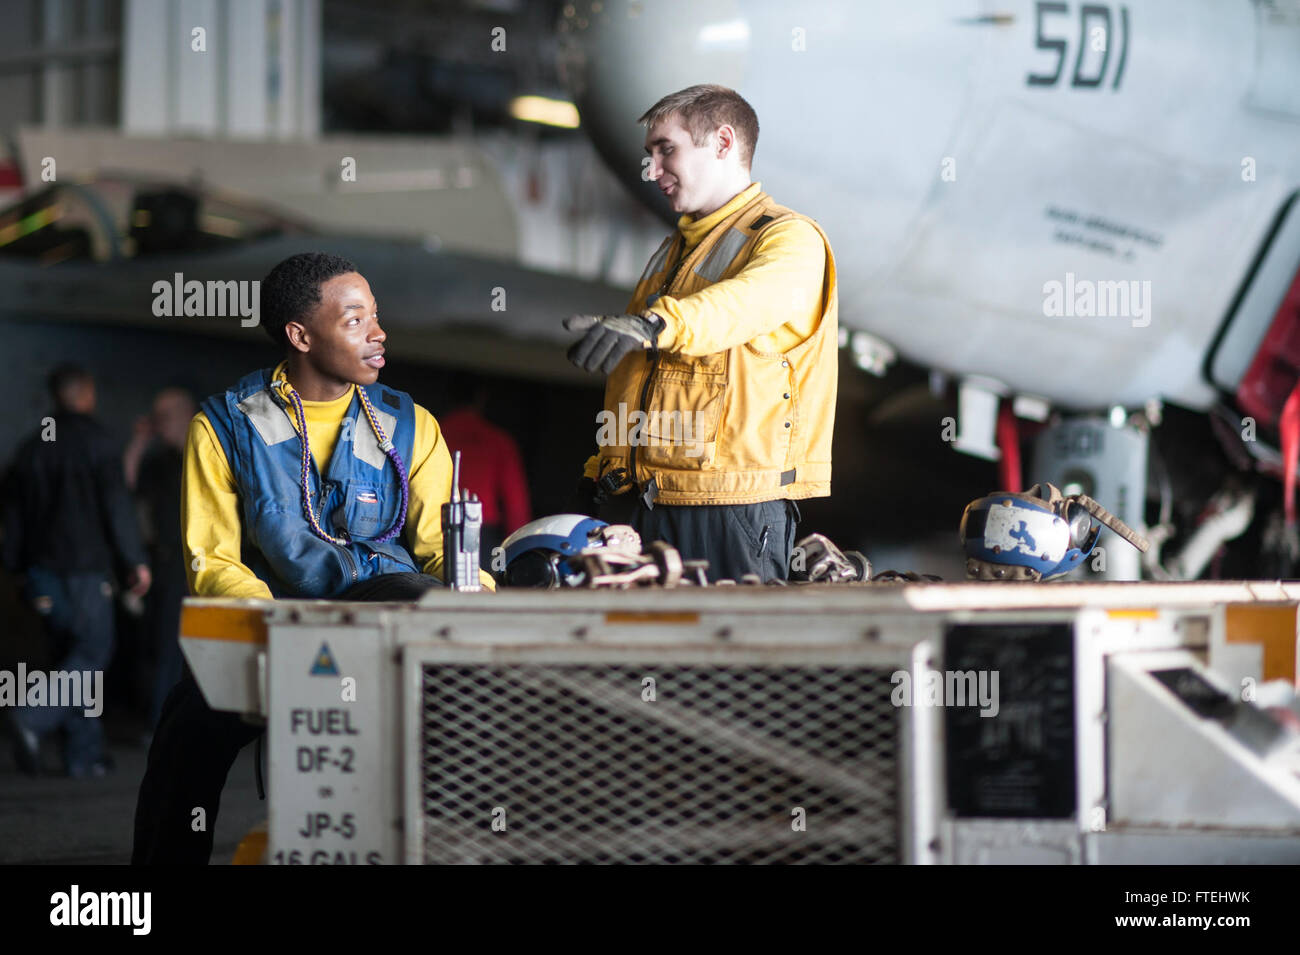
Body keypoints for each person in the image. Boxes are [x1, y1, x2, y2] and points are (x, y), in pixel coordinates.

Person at [132, 252, 494, 864]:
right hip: (275, 616)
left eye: (376, 316)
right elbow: (213, 560)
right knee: (185, 731)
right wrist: (279, 630)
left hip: (383, 605)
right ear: (300, 336)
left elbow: (437, 550)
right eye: (356, 320)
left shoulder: (411, 426)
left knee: (428, 611)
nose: (378, 334)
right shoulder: (223, 427)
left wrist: (477, 598)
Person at [564, 84, 839, 582]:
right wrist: (600, 472)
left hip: (729, 510)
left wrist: (654, 323)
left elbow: (747, 303)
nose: (652, 171)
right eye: (648, 155)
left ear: (723, 142)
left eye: (666, 149)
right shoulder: (672, 254)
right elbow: (641, 380)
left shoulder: (789, 238)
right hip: (641, 503)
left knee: (730, 658)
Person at [2, 364, 151, 776]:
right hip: (85, 571)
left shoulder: (32, 447)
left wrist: (17, 570)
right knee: (91, 654)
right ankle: (31, 717)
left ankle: (82, 756)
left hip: (42, 574)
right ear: (86, 393)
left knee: (70, 660)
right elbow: (116, 507)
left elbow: (12, 517)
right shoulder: (98, 444)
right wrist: (134, 562)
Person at [123, 387, 197, 728]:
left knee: (190, 647)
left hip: (199, 565)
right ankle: (160, 722)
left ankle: (179, 723)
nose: (158, 424)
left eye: (165, 416)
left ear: (185, 415)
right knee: (162, 644)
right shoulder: (158, 461)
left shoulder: (207, 454)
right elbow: (126, 486)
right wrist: (140, 441)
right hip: (166, 564)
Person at [437, 382, 532, 569]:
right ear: (481, 398)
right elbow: (515, 503)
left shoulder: (435, 433)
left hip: (436, 526)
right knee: (482, 589)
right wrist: (522, 549)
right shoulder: (498, 440)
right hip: (482, 534)